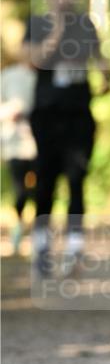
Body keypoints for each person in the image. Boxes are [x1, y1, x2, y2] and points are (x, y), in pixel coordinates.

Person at [20, 0, 110, 276]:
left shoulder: (84, 23)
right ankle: (42, 250)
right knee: (45, 181)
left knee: (76, 178)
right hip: (47, 116)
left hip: (78, 114)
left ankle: (74, 251)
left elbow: (99, 57)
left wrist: (106, 76)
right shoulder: (37, 23)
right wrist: (57, 31)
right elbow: (32, 62)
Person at [0, 56, 37, 253]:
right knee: (20, 190)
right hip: (14, 144)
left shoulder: (41, 77)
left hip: (38, 143)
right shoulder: (7, 76)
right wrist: (9, 112)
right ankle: (19, 225)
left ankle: (37, 232)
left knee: (39, 189)